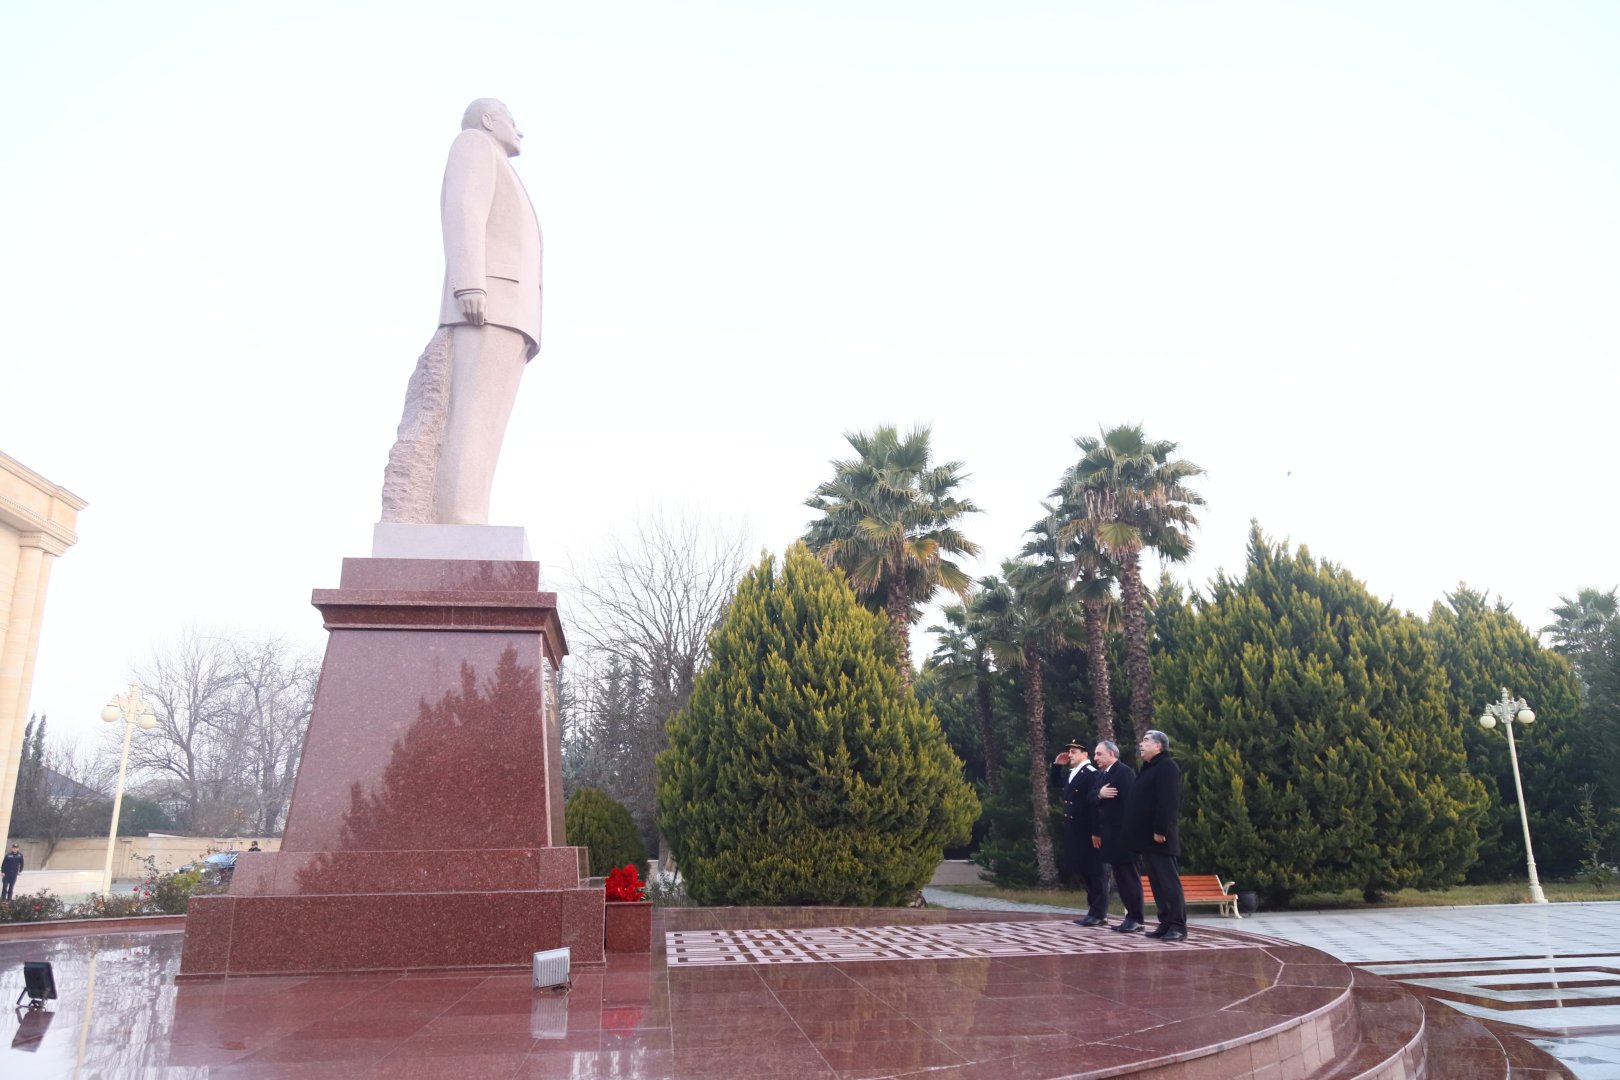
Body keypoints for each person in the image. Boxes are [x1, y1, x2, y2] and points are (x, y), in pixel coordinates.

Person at [1123, 729, 1186, 941]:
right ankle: (1165, 922)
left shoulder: (1167, 767)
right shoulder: (1149, 768)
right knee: (1157, 883)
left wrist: (1160, 829)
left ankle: (1177, 925)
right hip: (1146, 839)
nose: (1141, 744)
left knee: (1168, 882)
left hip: (1160, 837)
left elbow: (1168, 802)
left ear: (1158, 746)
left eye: (1146, 740)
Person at [1091, 739, 1146, 932]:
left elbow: (1133, 803)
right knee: (1121, 878)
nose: (1095, 758)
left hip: (1124, 836)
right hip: (1110, 836)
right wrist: (1100, 793)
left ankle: (1136, 918)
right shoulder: (1102, 775)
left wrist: (1132, 834)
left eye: (1099, 754)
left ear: (1112, 754)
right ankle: (1129, 916)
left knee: (1129, 877)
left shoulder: (1123, 772)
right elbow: (1090, 797)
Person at [1050, 740, 1106, 925]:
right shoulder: (1073, 773)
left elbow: (1095, 805)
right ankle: (1093, 910)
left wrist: (1096, 831)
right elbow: (1058, 784)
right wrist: (1057, 766)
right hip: (1075, 829)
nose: (1070, 755)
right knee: (1084, 869)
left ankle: (1099, 912)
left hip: (1087, 829)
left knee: (1094, 870)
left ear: (1085, 755)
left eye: (1074, 752)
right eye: (1070, 752)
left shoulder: (1091, 774)